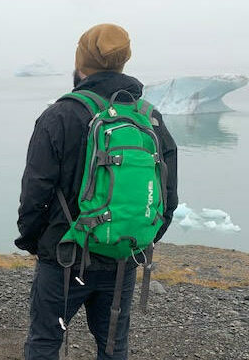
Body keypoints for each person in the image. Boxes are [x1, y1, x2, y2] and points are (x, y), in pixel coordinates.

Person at [16, 24, 178, 360]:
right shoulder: (150, 119)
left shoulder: (60, 115)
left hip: (64, 255)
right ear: (122, 63)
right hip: (123, 257)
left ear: (81, 63)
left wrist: (36, 242)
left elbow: (34, 193)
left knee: (46, 342)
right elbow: (168, 196)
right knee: (113, 345)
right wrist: (135, 236)